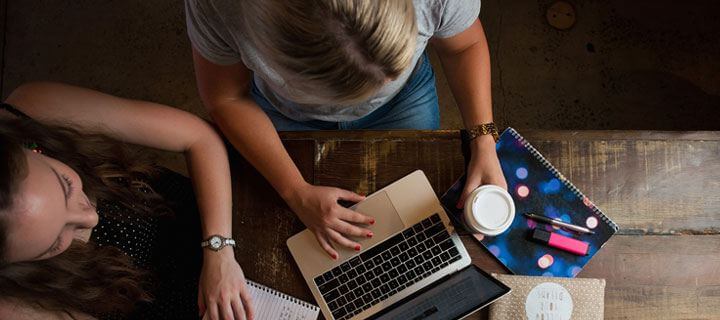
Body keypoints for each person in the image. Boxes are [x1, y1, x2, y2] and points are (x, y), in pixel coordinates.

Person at [185, 0, 507, 259]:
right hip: (280, 114)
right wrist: (294, 191)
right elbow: (226, 96)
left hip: (402, 103)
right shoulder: (220, 7)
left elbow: (464, 46)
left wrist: (483, 140)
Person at [0, 82, 253, 320]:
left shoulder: (31, 108)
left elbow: (199, 137)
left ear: (31, 148)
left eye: (66, 186)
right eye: (55, 243)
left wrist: (218, 249)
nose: (91, 218)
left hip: (210, 212)